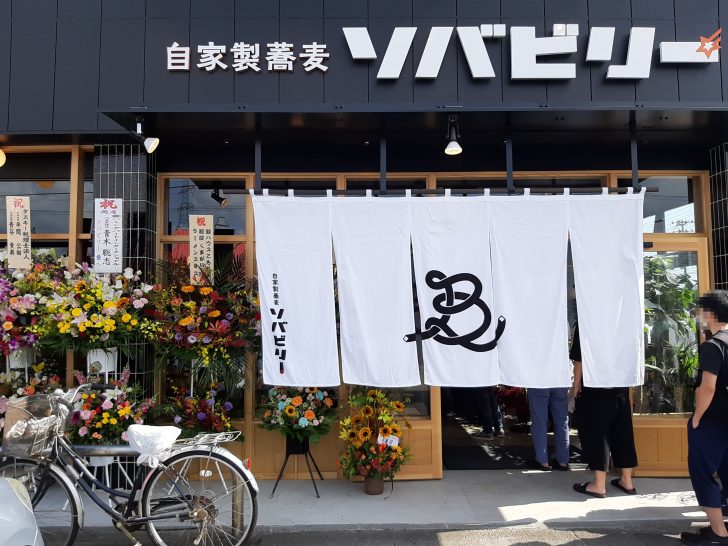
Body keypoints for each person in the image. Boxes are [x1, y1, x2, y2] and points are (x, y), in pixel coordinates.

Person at [680, 292, 728, 545]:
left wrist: (697, 417)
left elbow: (707, 387)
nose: (698, 317)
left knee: (703, 473)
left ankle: (718, 533)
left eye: (700, 312)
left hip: (713, 421)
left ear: (710, 314)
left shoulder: (713, 345)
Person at [570, 322, 638, 498]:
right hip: (621, 384)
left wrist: (576, 383)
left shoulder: (587, 320)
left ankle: (599, 485)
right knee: (623, 432)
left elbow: (579, 357)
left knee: (598, 433)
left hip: (595, 385)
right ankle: (627, 481)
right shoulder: (621, 319)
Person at [528, 387, 570, 471]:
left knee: (539, 421)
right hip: (560, 383)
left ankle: (542, 461)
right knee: (562, 422)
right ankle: (563, 461)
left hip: (539, 383)